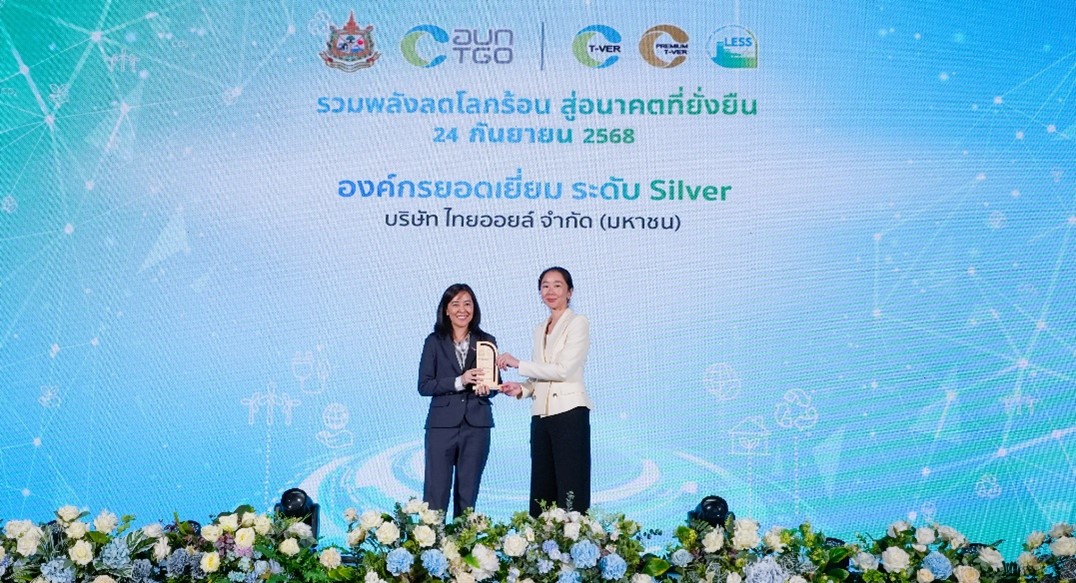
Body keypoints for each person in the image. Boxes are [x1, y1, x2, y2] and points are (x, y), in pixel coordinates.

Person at [498, 267, 592, 517]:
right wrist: (522, 388)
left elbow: (563, 370)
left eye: (557, 285)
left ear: (570, 292)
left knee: (571, 488)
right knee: (542, 488)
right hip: (541, 416)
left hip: (569, 413)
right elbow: (542, 372)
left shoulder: (578, 323)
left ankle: (573, 538)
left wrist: (518, 364)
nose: (550, 291)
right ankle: (541, 541)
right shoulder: (540, 328)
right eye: (545, 286)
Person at [418, 283, 497, 519]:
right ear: (446, 310)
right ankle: (432, 541)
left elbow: (494, 384)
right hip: (441, 426)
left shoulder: (486, 340)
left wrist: (487, 389)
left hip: (477, 425)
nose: (462, 310)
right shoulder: (434, 341)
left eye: (467, 304)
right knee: (436, 493)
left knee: (468, 494)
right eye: (455, 304)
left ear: (474, 308)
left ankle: (463, 541)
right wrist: (459, 381)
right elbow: (424, 385)